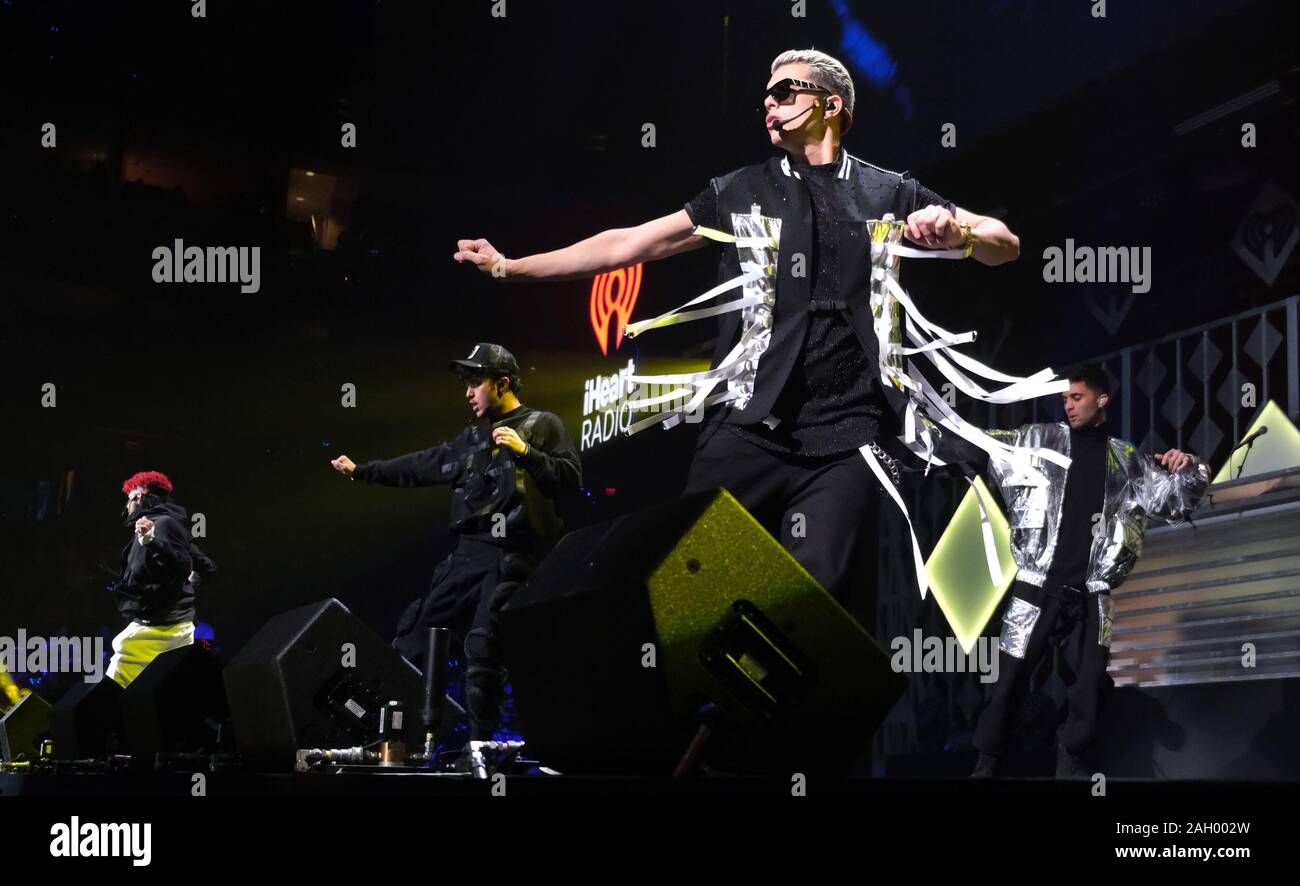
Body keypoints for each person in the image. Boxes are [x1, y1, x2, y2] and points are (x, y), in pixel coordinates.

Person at [453, 48, 1020, 604]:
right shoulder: (740, 190)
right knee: (692, 581)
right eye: (764, 98)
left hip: (848, 440)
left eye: (783, 92)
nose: (768, 105)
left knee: (813, 600)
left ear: (831, 105)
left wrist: (959, 233)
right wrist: (512, 267)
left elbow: (1006, 244)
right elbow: (629, 243)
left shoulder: (889, 192)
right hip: (750, 426)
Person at [330, 343, 581, 741]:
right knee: (412, 641)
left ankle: (484, 751)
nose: (467, 392)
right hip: (466, 556)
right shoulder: (471, 439)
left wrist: (527, 452)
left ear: (502, 383)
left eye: (475, 382)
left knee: (483, 654)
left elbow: (570, 479)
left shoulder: (541, 424)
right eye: (465, 383)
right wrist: (362, 471)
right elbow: (421, 466)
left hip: (509, 555)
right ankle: (396, 740)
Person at [970, 364, 1210, 777]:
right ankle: (987, 760)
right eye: (1065, 399)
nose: (1068, 406)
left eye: (1076, 398)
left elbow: (1176, 500)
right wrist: (931, 427)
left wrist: (1187, 467)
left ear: (1102, 400)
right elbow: (984, 446)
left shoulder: (1128, 461)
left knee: (1089, 682)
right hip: (1039, 583)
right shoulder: (1041, 440)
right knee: (1010, 678)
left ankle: (1071, 757)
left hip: (1090, 590)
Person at [108, 471, 197, 687]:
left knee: (115, 685)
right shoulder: (149, 526)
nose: (127, 506)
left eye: (130, 499)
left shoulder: (164, 523)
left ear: (140, 499)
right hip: (155, 625)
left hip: (162, 630)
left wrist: (151, 541)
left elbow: (182, 565)